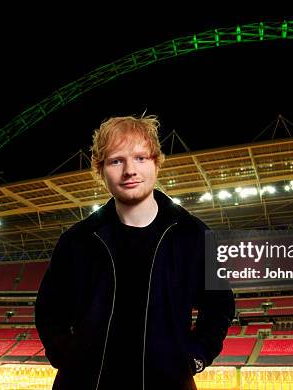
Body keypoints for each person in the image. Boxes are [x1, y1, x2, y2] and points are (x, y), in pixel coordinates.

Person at [35, 114, 235, 390]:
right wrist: (67, 357)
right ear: (100, 169)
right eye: (117, 160)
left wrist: (195, 356)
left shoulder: (195, 236)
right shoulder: (76, 241)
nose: (130, 170)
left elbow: (220, 305)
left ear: (156, 162)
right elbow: (49, 310)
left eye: (140, 158)